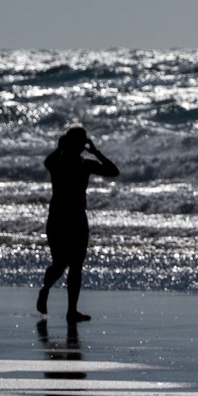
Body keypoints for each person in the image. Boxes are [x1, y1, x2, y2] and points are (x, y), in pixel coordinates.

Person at [36, 126, 119, 322]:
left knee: (76, 266)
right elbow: (47, 162)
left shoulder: (84, 164)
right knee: (61, 263)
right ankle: (45, 289)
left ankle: (72, 311)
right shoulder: (59, 162)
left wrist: (96, 152)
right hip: (59, 219)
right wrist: (59, 148)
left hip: (78, 219)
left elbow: (113, 171)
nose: (82, 145)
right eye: (81, 142)